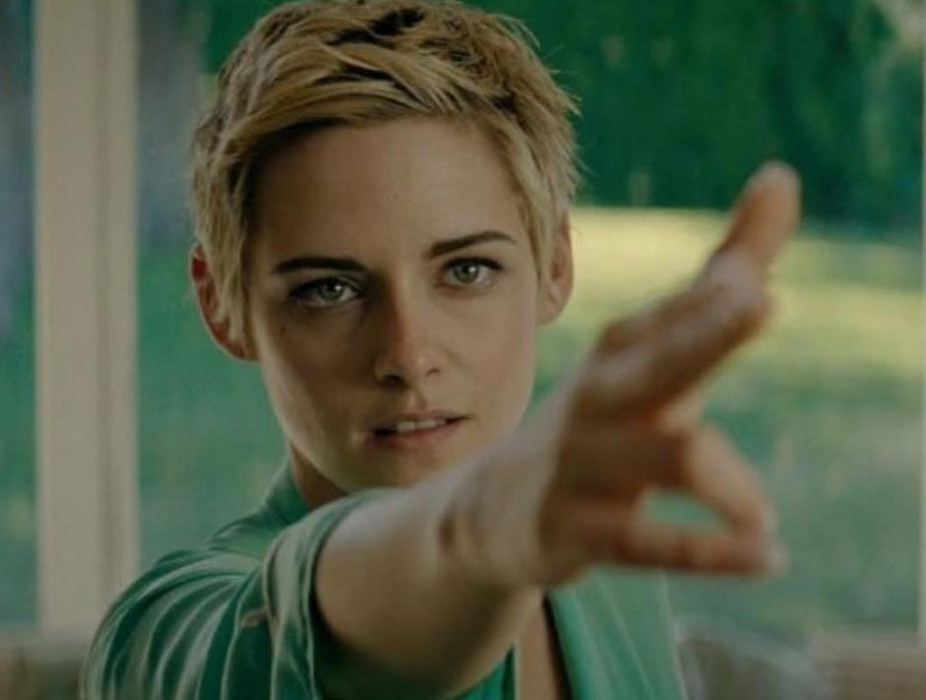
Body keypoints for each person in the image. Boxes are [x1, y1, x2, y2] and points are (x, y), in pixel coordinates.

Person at [82, 0, 800, 697]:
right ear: (221, 304)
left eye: (467, 271)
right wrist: (481, 536)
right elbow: (332, 640)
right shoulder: (158, 644)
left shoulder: (602, 563)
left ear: (554, 266)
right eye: (329, 289)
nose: (407, 354)